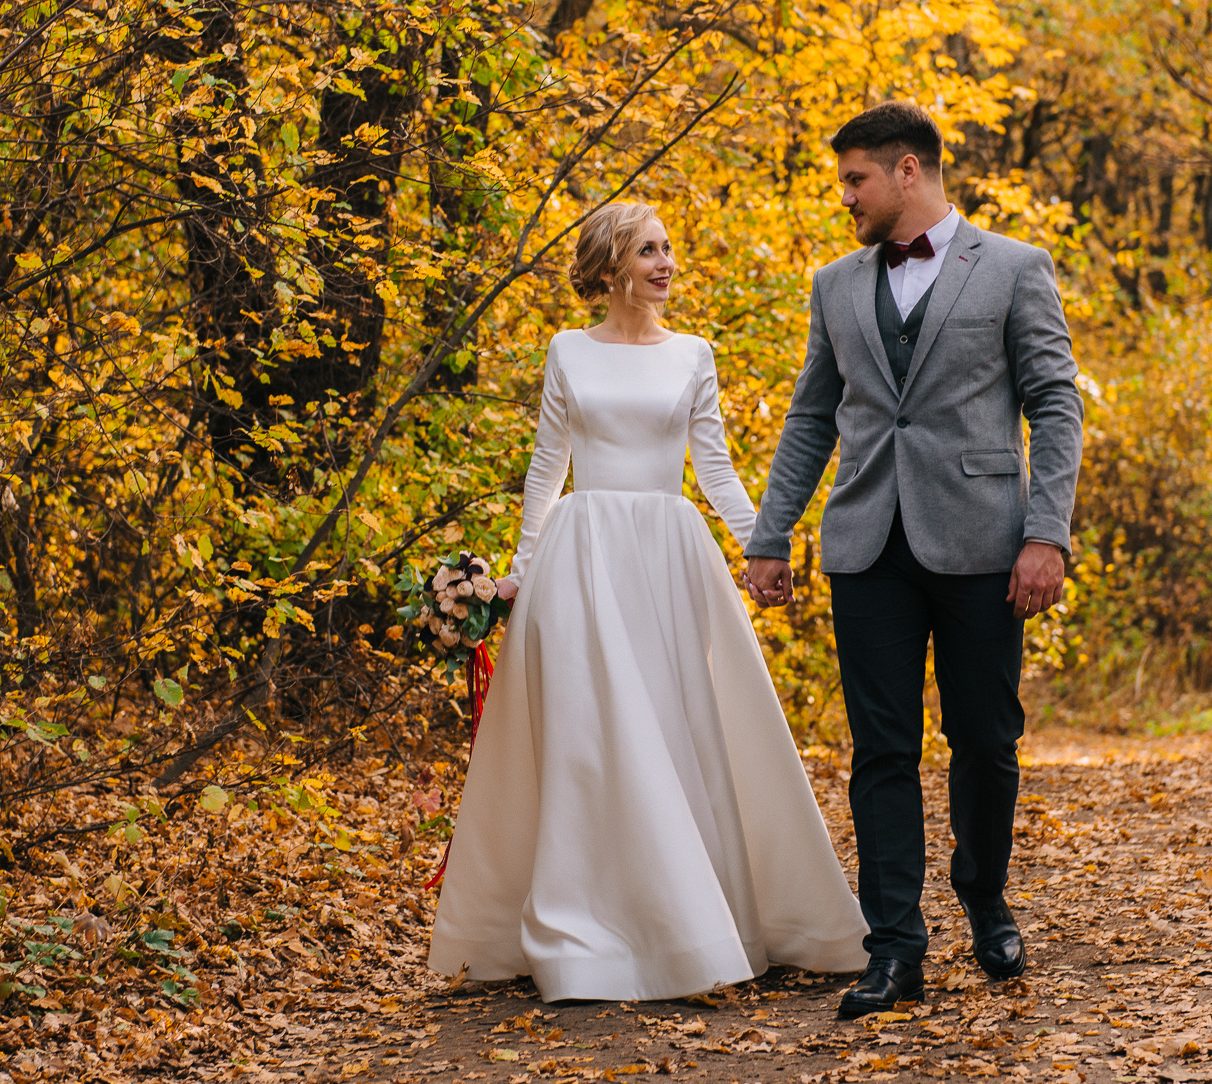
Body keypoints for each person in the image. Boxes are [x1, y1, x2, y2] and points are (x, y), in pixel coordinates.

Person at [427, 201, 869, 1003]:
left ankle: (688, 922)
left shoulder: (694, 354)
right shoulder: (567, 351)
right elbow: (544, 472)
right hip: (582, 558)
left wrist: (761, 543)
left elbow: (718, 469)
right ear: (609, 267)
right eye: (648, 250)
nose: (666, 262)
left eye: (668, 248)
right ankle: (582, 935)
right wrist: (519, 573)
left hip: (667, 558)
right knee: (589, 742)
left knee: (669, 731)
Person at [744, 101, 1084, 1017]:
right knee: (879, 752)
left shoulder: (1014, 268)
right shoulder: (837, 284)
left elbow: (1055, 404)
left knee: (985, 738)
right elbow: (814, 415)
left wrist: (1046, 532)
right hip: (866, 548)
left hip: (984, 543)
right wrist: (770, 534)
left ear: (908, 171)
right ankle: (894, 946)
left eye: (856, 179)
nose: (845, 197)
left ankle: (984, 895)